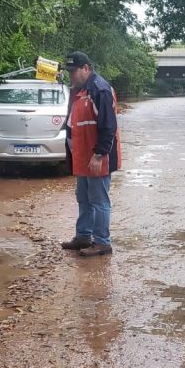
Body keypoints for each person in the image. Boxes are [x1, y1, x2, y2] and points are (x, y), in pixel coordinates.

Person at [60, 51, 121, 257]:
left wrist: (99, 155)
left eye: (74, 71)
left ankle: (102, 243)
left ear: (86, 68)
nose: (71, 75)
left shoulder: (99, 90)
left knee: (99, 200)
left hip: (97, 157)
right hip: (82, 156)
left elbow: (109, 126)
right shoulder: (79, 90)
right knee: (83, 198)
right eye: (69, 72)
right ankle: (83, 237)